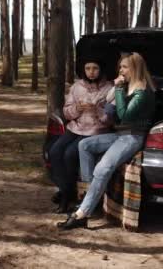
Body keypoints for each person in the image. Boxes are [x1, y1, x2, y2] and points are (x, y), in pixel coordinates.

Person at [57, 52, 156, 229]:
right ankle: (87, 196)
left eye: (124, 67)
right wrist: (112, 91)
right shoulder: (127, 86)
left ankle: (82, 214)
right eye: (120, 67)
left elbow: (124, 116)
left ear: (135, 68)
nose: (121, 70)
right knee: (84, 145)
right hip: (120, 134)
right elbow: (109, 106)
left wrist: (117, 90)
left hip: (133, 136)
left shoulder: (143, 92)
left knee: (103, 168)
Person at [49, 58, 116, 213]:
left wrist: (97, 111)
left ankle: (66, 199)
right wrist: (77, 108)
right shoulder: (77, 86)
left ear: (102, 69)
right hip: (75, 128)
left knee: (69, 155)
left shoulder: (110, 88)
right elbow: (66, 112)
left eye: (95, 68)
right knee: (54, 152)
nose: (91, 72)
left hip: (96, 130)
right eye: (87, 68)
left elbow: (111, 120)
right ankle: (66, 191)